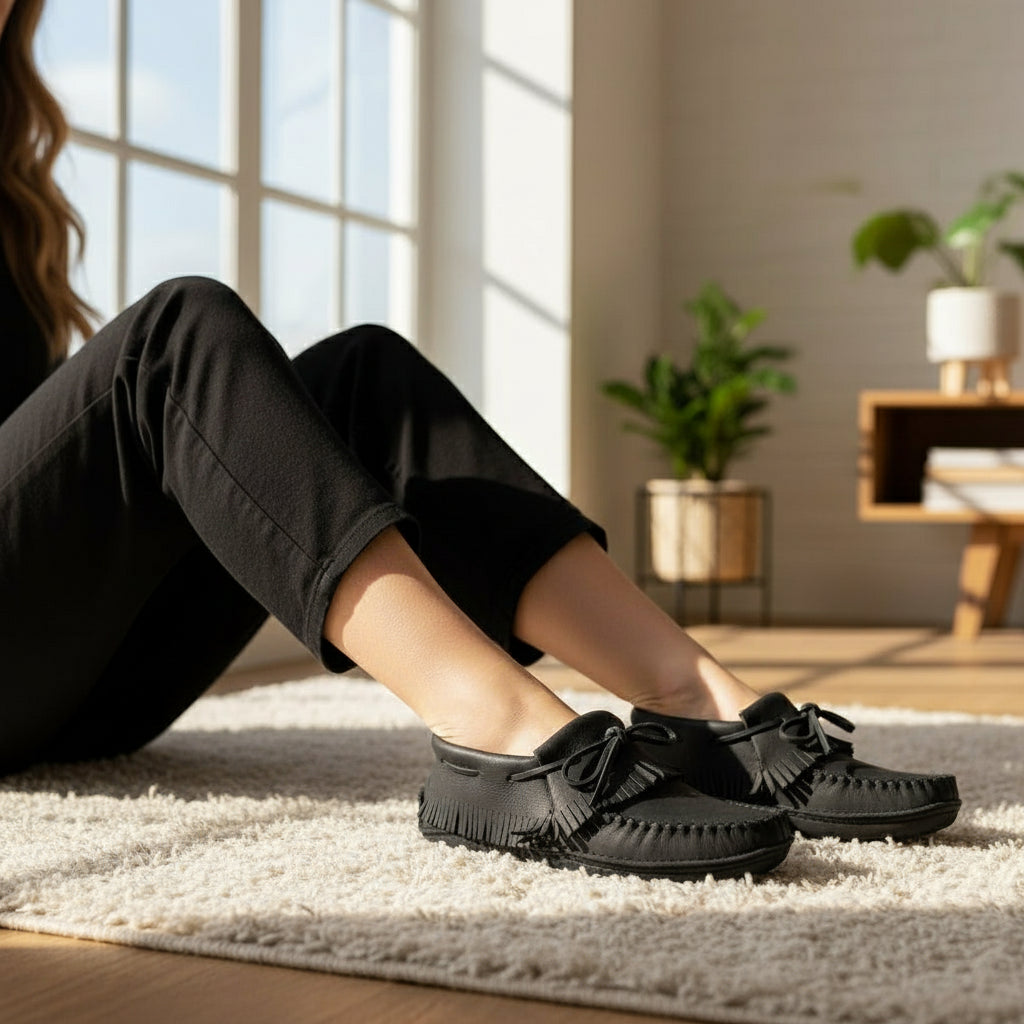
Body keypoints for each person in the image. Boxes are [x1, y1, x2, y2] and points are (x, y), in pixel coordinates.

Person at [0, 0, 958, 882]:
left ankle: (694, 704)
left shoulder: (14, 161)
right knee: (179, 333)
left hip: (94, 690)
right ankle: (495, 733)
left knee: (363, 372)